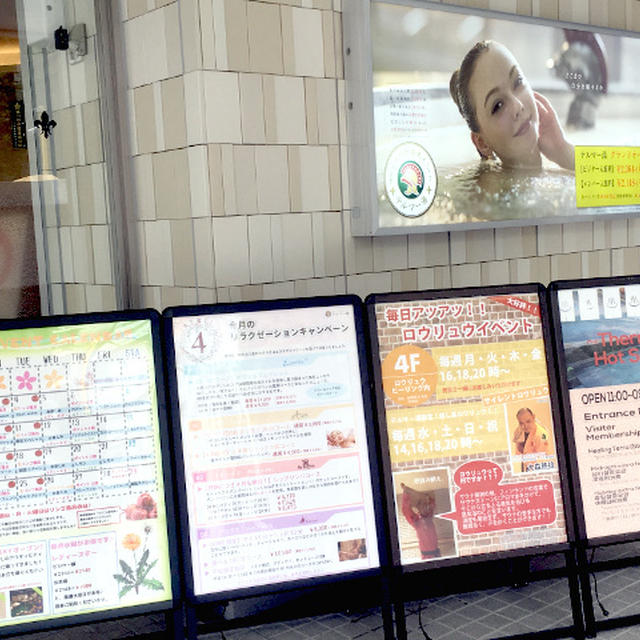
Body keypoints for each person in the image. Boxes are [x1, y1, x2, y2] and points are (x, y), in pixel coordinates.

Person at [450, 41, 574, 171]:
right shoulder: (489, 190)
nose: (517, 106)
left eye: (518, 81)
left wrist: (562, 150)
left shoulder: (551, 172)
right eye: (498, 106)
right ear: (482, 143)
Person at [400, 483, 440, 559]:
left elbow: (432, 504)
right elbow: (406, 510)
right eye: (423, 505)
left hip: (436, 555)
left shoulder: (429, 516)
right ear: (418, 507)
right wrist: (406, 493)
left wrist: (428, 498)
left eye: (426, 505)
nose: (426, 507)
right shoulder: (416, 521)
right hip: (427, 556)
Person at [512, 407, 552, 472]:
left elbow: (543, 457)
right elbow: (517, 454)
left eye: (528, 421)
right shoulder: (518, 431)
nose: (525, 426)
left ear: (533, 417)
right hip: (525, 468)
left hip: (537, 469)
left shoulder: (541, 434)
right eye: (521, 423)